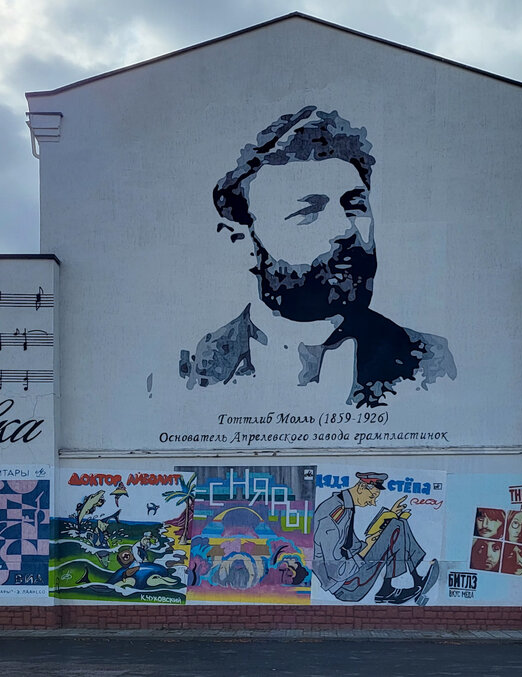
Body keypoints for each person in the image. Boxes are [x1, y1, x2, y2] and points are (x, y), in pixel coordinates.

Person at [180, 106, 456, 407]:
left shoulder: (428, 365)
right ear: (242, 240)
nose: (346, 229)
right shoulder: (188, 371)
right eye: (310, 210)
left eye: (355, 205)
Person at [311, 472, 439, 604]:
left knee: (398, 522)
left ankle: (416, 578)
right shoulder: (332, 518)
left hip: (351, 574)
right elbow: (336, 572)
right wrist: (368, 548)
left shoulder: (344, 507)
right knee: (396, 526)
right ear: (361, 488)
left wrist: (384, 525)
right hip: (346, 587)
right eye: (372, 496)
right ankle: (389, 589)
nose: (372, 503)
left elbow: (352, 546)